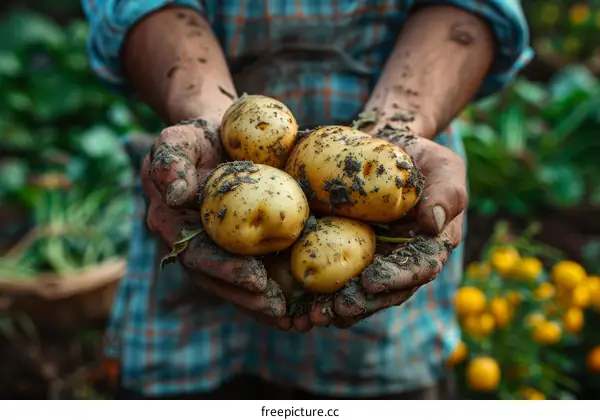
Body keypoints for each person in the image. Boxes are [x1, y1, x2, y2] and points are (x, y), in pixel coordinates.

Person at [83, 0, 532, 399]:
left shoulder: (389, 180)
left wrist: (401, 125)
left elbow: (473, 9)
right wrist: (208, 118)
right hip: (199, 201)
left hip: (397, 168)